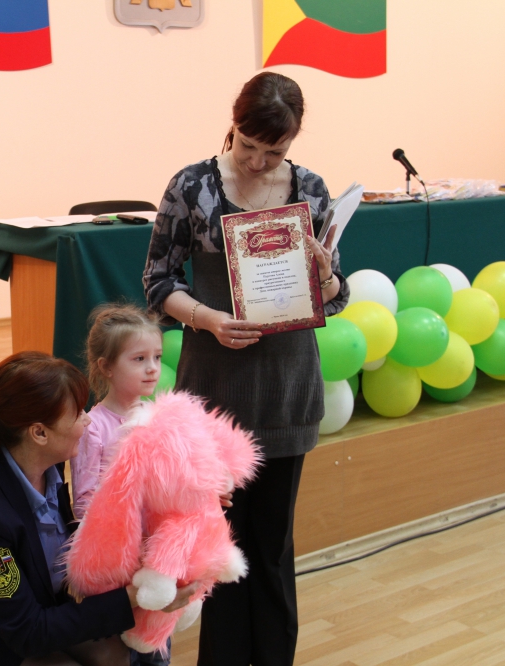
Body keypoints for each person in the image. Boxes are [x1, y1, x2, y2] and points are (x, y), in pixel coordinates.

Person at [142, 72, 350, 666]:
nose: (258, 162)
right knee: (218, 548)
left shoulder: (311, 190)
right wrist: (208, 319)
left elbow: (336, 297)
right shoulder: (192, 186)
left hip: (286, 389)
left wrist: (324, 275)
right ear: (232, 125)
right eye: (247, 144)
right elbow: (157, 281)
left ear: (294, 142)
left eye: (274, 152)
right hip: (216, 391)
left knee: (273, 547)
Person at [0, 351, 199, 666]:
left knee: (115, 655)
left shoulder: (47, 468)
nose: (88, 420)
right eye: (78, 413)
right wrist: (133, 597)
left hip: (26, 617)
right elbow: (28, 631)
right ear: (39, 433)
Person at [70, 304, 169, 666]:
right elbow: (84, 500)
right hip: (117, 562)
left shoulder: (158, 416)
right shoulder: (93, 427)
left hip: (155, 555)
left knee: (156, 646)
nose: (152, 368)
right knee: (125, 650)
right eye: (139, 358)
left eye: (157, 357)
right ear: (106, 367)